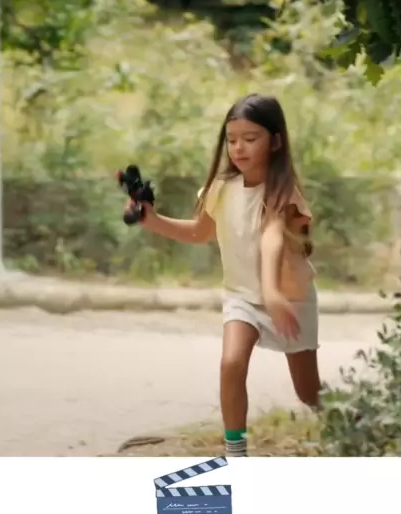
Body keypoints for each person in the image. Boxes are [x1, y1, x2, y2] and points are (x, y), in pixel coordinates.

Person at [125, 93, 321, 456]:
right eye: (232, 140)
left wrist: (273, 293)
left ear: (275, 141)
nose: (239, 148)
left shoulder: (284, 193)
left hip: (289, 299)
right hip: (242, 296)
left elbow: (272, 239)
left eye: (251, 138)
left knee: (309, 392)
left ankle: (357, 427)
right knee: (231, 363)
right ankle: (236, 453)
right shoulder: (221, 189)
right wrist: (151, 219)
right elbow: (198, 233)